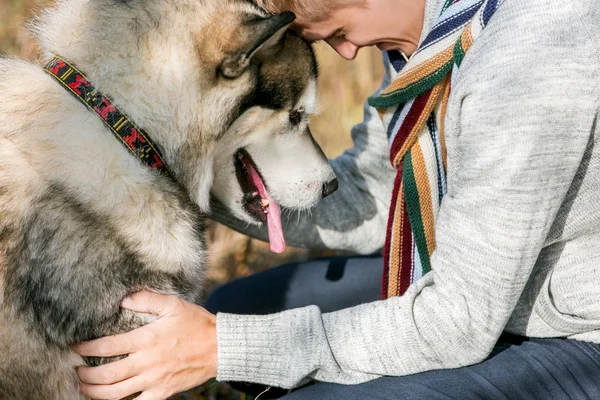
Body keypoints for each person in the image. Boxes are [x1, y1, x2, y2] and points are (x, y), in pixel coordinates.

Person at [73, 0, 600, 398]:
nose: (344, 51)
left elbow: (457, 321)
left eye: (338, 30)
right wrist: (173, 164)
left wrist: (221, 346)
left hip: (573, 333)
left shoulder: (531, 63)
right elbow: (374, 198)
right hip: (473, 285)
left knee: (264, 361)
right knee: (240, 309)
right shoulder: (432, 37)